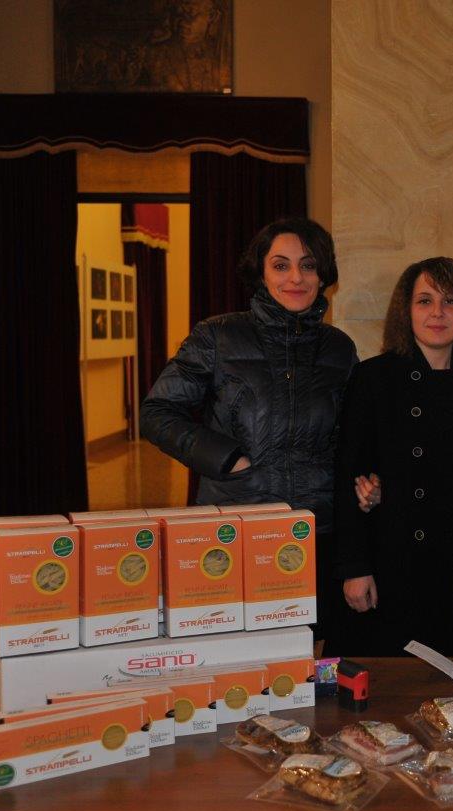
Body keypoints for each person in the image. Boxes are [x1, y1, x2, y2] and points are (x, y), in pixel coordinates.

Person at [140, 217, 358, 641]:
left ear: (324, 275)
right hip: (235, 526)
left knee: (310, 652)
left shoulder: (339, 348)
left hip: (316, 531)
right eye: (281, 265)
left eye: (308, 265)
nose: (296, 277)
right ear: (261, 272)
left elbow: (349, 435)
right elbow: (158, 411)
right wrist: (225, 458)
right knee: (236, 651)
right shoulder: (218, 336)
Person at [334, 257, 453, 656]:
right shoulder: (374, 378)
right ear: (406, 311)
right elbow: (347, 477)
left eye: (450, 301)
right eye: (425, 301)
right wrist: (355, 568)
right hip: (394, 563)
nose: (437, 312)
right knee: (396, 683)